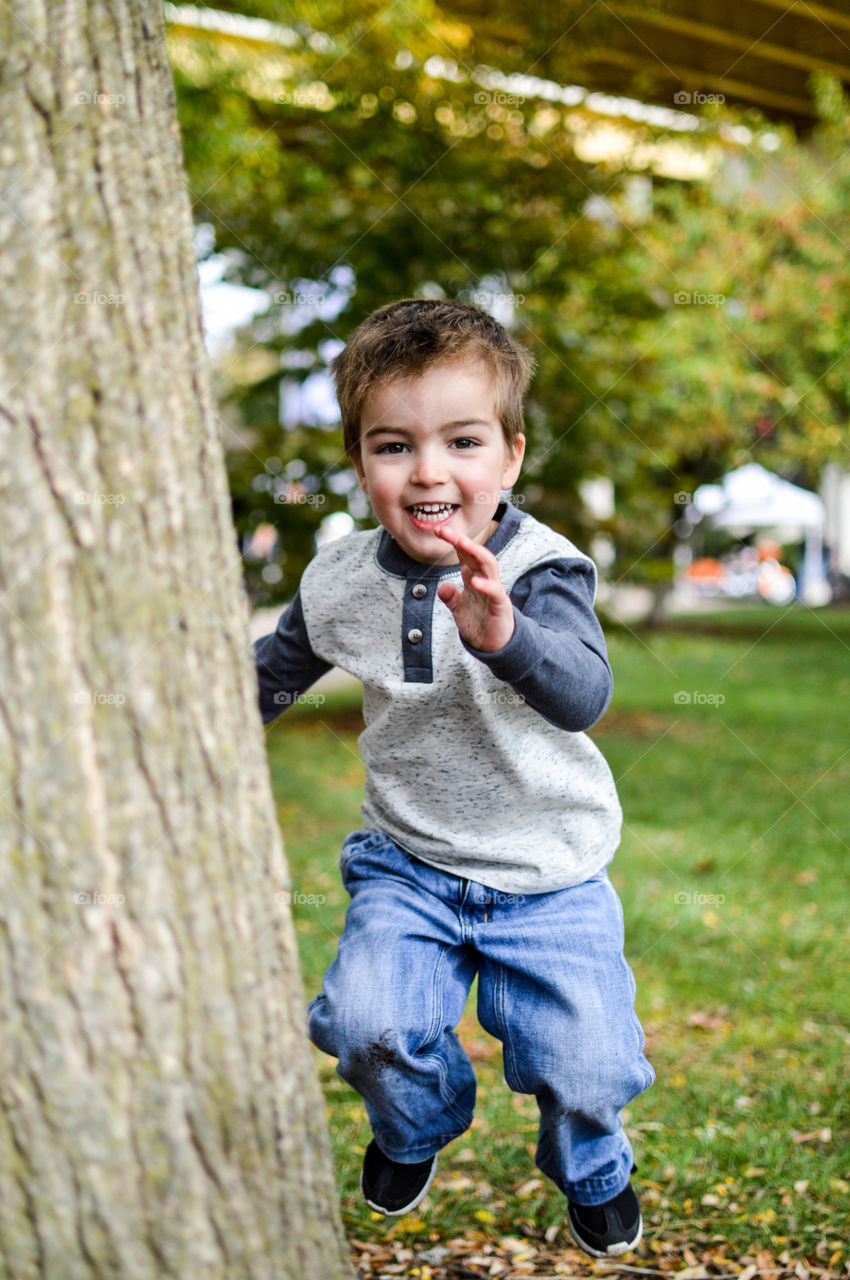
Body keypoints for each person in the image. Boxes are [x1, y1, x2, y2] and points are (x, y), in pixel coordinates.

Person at [253, 298, 655, 1259]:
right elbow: (269, 679)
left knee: (589, 1066)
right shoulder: (339, 578)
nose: (430, 470)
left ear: (510, 457)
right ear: (361, 464)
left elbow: (585, 694)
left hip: (549, 873)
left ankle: (594, 1170)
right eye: (395, 446)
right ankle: (416, 1127)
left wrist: (506, 636)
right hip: (409, 863)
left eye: (463, 441)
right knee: (366, 1025)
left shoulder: (541, 567)